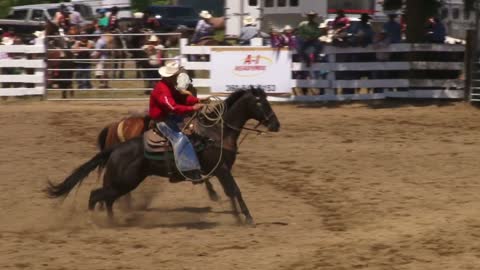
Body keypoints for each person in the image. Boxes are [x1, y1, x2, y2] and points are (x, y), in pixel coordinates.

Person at [149, 60, 205, 182]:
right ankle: (189, 171)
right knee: (180, 138)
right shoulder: (162, 89)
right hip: (162, 120)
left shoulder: (169, 86)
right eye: (175, 75)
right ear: (171, 76)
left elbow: (182, 98)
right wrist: (192, 108)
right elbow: (172, 106)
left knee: (194, 126)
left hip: (169, 116)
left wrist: (197, 100)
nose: (177, 77)